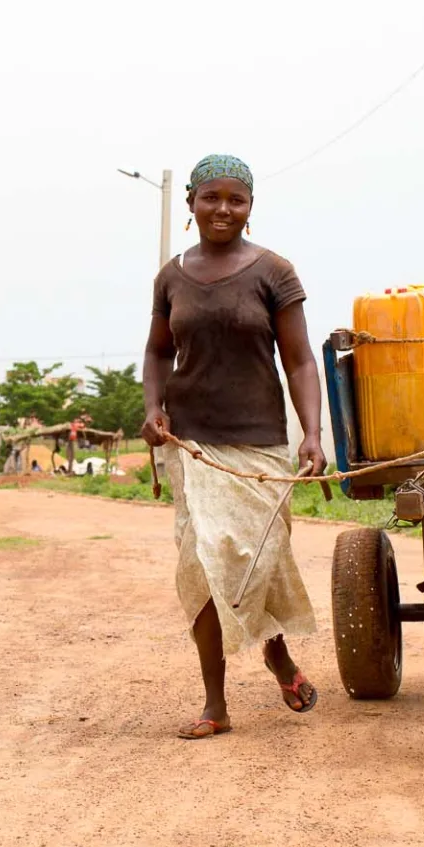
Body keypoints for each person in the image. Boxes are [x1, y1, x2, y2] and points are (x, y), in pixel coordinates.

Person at [141, 153, 328, 740]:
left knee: (253, 564)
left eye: (236, 200)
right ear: (192, 202)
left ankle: (277, 656)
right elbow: (156, 351)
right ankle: (215, 704)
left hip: (261, 444)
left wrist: (313, 433)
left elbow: (299, 360)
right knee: (202, 567)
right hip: (192, 444)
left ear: (250, 208)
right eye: (211, 198)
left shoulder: (274, 272)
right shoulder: (171, 277)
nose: (223, 209)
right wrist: (153, 410)